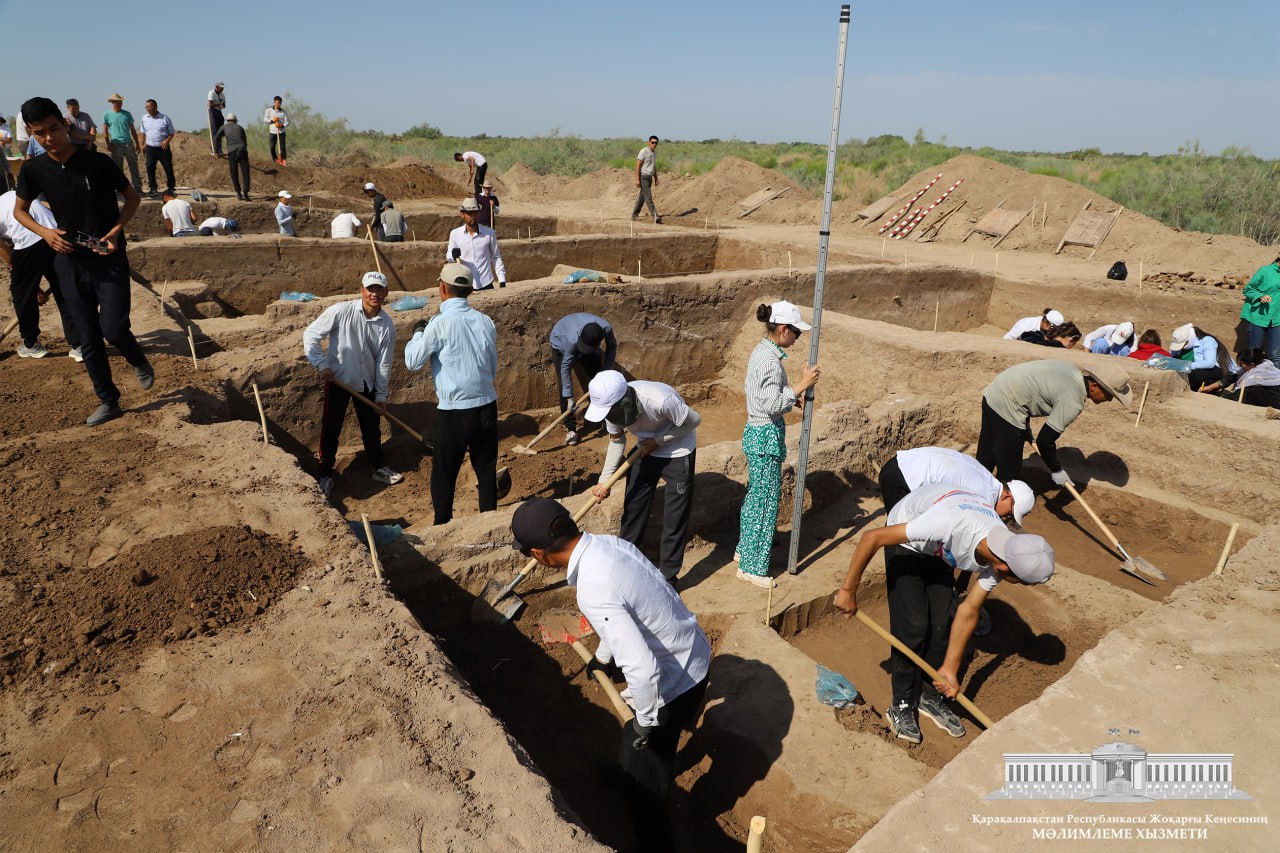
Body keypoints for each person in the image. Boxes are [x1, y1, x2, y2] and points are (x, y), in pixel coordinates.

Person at [509, 497, 710, 852]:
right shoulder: (607, 545)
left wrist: (645, 721)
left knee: (644, 773)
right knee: (646, 751)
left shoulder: (593, 585)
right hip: (691, 653)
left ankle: (656, 843)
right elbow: (625, 615)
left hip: (677, 681)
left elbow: (642, 668)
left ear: (539, 554)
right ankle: (633, 771)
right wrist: (602, 658)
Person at [833, 482, 1055, 743]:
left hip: (940, 550)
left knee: (942, 624)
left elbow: (969, 610)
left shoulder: (1004, 552)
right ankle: (902, 703)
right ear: (1005, 569)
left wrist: (950, 668)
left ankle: (928, 694)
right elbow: (873, 537)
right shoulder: (951, 523)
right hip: (908, 536)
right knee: (914, 626)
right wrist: (848, 590)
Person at [14, 96, 152, 426]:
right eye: (39, 133)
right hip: (68, 259)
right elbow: (20, 211)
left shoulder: (98, 162)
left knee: (113, 327)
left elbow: (133, 198)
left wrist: (116, 231)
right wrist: (46, 233)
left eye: (53, 129)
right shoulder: (33, 169)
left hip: (108, 256)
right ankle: (108, 400)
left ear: (64, 124)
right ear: (31, 133)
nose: (49, 138)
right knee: (87, 336)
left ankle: (137, 358)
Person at [404, 262, 510, 525]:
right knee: (486, 469)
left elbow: (413, 362)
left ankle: (442, 525)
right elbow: (492, 365)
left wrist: (418, 334)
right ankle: (488, 521)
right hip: (486, 405)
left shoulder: (439, 323)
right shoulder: (485, 321)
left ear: (442, 288)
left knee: (444, 473)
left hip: (454, 411)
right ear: (470, 291)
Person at [734, 301, 820, 588]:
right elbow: (771, 404)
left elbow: (762, 395)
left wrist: (789, 396)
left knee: (756, 498)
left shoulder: (762, 351)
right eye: (796, 332)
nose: (797, 338)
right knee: (765, 503)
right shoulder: (770, 362)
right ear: (783, 329)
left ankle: (744, 551)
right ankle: (752, 568)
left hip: (757, 432)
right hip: (765, 436)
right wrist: (801, 385)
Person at [584, 370, 700, 582]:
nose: (610, 417)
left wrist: (658, 442)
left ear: (624, 402)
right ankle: (629, 567)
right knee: (633, 510)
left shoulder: (660, 399)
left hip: (678, 450)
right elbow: (617, 440)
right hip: (644, 450)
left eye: (611, 412)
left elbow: (693, 421)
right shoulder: (611, 410)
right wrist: (604, 481)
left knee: (675, 517)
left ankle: (668, 577)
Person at [302, 271, 403, 498]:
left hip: (366, 383)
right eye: (370, 289)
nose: (374, 294)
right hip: (338, 380)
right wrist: (321, 364)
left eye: (379, 289)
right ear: (361, 290)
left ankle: (378, 467)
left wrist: (381, 396)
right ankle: (325, 473)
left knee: (371, 429)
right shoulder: (340, 311)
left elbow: (384, 364)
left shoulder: (386, 326)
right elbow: (311, 335)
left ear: (386, 292)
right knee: (331, 428)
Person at [976, 359, 1132, 484]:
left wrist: (1024, 426)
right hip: (1008, 404)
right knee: (1009, 473)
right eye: (1109, 395)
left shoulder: (1071, 370)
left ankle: (971, 496)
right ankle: (1000, 511)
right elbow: (1045, 441)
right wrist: (1056, 470)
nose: (1109, 400)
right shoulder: (1073, 401)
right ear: (1094, 386)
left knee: (985, 458)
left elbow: (1030, 387)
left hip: (996, 391)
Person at [1, 190, 83, 360]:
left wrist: (26, 283)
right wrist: (35, 288)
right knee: (64, 290)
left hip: (28, 242)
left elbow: (5, 251)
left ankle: (31, 344)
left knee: (22, 294)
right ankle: (80, 345)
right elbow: (46, 205)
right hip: (57, 237)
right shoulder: (12, 194)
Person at [880, 447, 1035, 528]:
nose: (1005, 519)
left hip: (902, 463)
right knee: (901, 538)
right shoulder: (984, 499)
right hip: (903, 478)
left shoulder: (988, 480)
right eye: (1009, 515)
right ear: (1007, 496)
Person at [549, 313, 618, 446]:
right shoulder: (571, 339)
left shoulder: (606, 329)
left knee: (598, 378)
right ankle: (571, 429)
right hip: (561, 342)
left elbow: (612, 347)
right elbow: (565, 367)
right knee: (564, 386)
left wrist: (606, 371)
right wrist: (569, 398)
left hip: (587, 342)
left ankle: (603, 417)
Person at [445, 198, 506, 290]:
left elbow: (496, 257)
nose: (473, 216)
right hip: (466, 284)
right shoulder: (455, 234)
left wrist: (502, 280)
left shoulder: (489, 233)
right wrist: (453, 255)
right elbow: (449, 256)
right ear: (462, 214)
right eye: (470, 213)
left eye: (475, 213)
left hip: (486, 283)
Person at [1169, 323, 1236, 391]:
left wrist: (1186, 365)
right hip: (1205, 372)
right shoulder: (1185, 345)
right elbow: (1173, 355)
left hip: (1224, 373)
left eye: (1183, 344)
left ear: (1189, 339)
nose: (1182, 347)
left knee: (1193, 373)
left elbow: (1210, 363)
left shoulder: (1207, 340)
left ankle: (1210, 388)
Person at [1242, 257, 1280, 366]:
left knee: (1275, 355)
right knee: (1254, 352)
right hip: (1259, 317)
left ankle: (1275, 376)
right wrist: (1260, 296)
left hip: (1278, 318)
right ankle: (1252, 376)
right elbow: (1248, 289)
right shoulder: (1265, 271)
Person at [101, 94, 142, 192]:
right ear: (113, 102)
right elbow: (105, 130)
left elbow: (132, 129)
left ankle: (138, 188)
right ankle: (120, 188)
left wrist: (137, 143)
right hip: (115, 144)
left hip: (128, 143)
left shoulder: (127, 114)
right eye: (117, 101)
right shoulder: (107, 114)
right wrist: (108, 144)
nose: (120, 103)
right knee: (117, 168)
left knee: (133, 166)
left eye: (120, 101)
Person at [138, 99, 176, 197]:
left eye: (149, 107)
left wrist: (167, 141)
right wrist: (141, 145)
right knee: (150, 167)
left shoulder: (165, 118)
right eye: (146, 107)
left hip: (163, 148)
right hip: (150, 148)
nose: (148, 109)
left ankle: (171, 188)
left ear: (155, 107)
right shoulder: (144, 118)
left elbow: (171, 132)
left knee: (168, 168)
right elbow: (142, 133)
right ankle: (153, 188)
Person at [213, 113, 251, 201]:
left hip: (232, 152)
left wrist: (217, 151)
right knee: (245, 173)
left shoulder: (224, 127)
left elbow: (216, 139)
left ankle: (238, 193)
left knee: (234, 173)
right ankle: (246, 193)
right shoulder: (240, 127)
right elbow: (245, 141)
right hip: (242, 151)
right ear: (236, 120)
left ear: (227, 120)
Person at [631, 135, 660, 224]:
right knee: (648, 196)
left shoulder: (654, 153)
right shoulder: (644, 151)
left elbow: (653, 166)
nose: (654, 144)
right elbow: (638, 165)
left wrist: (656, 178)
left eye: (656, 143)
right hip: (643, 176)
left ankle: (634, 215)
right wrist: (637, 179)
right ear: (649, 142)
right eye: (653, 142)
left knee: (642, 197)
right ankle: (655, 215)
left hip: (649, 177)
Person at [263, 95, 289, 165]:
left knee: (282, 147)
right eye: (278, 103)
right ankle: (275, 160)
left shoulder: (283, 112)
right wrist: (272, 120)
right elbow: (265, 120)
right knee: (272, 147)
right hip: (272, 132)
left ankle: (283, 161)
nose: (279, 104)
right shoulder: (269, 110)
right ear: (274, 102)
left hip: (281, 132)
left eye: (280, 103)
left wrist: (281, 125)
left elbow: (287, 122)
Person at [208, 82, 227, 155]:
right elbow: (210, 104)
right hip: (212, 112)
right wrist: (219, 104)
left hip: (219, 111)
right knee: (214, 130)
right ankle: (214, 149)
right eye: (221, 87)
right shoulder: (211, 93)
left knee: (220, 131)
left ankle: (219, 149)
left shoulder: (222, 95)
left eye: (223, 87)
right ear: (216, 87)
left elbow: (224, 105)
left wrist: (220, 105)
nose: (222, 89)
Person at [0, 116, 13, 190]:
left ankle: (12, 187)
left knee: (9, 169)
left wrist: (2, 140)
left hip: (6, 150)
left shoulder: (6, 128)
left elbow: (10, 140)